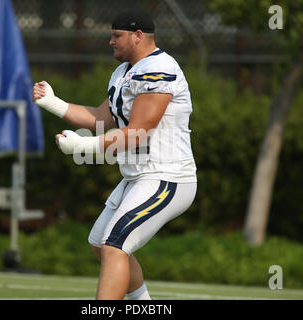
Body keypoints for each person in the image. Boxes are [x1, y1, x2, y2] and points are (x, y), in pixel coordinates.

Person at [31, 9, 197, 300]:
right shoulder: (123, 72)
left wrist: (83, 147)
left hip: (167, 177)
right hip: (138, 178)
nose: (111, 41)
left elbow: (139, 131)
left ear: (138, 36)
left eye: (116, 35)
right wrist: (53, 103)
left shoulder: (160, 67)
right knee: (100, 244)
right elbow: (101, 117)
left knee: (114, 245)